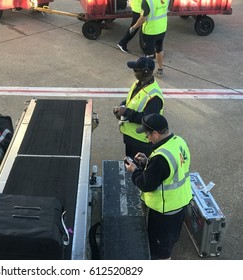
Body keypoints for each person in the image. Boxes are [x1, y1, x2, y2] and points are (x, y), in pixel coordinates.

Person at [125, 113, 192, 259]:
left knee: (159, 252)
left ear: (155, 133)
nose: (147, 138)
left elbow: (145, 184)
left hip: (165, 211)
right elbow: (170, 171)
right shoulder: (178, 141)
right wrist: (147, 162)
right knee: (169, 241)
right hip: (179, 203)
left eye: (147, 135)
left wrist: (134, 170)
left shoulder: (161, 158)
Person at [113, 56, 164, 158]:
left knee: (138, 170)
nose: (134, 72)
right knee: (130, 164)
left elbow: (148, 121)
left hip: (141, 142)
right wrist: (121, 106)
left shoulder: (154, 97)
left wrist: (126, 112)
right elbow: (132, 100)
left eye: (136, 70)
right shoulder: (139, 83)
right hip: (130, 137)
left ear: (145, 72)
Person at [128, 0, 169, 77]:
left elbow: (143, 18)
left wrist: (134, 27)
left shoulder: (147, 2)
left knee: (148, 54)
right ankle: (160, 69)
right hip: (162, 28)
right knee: (159, 49)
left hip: (151, 31)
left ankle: (147, 73)